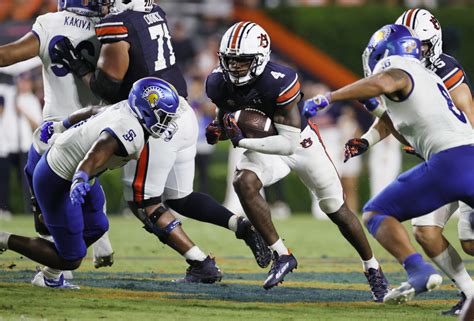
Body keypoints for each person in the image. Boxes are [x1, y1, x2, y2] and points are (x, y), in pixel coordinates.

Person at [53, 0, 272, 280]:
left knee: (142, 201)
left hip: (157, 121)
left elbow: (107, 88)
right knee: (180, 197)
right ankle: (242, 227)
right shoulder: (154, 13)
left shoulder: (118, 23)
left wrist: (81, 69)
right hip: (182, 111)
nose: (104, 3)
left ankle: (201, 264)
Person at [205, 21, 389, 300]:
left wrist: (240, 139)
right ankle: (282, 254)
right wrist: (217, 127)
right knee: (243, 181)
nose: (235, 68)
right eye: (230, 61)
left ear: (260, 58)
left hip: (300, 144)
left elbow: (288, 142)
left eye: (242, 62)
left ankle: (372, 267)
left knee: (336, 209)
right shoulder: (218, 81)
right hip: (265, 147)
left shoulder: (280, 79)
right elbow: (225, 114)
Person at [304, 24, 474, 304]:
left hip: (450, 162)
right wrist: (374, 112)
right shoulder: (428, 77)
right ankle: (468, 293)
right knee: (435, 233)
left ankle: (418, 270)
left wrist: (328, 97)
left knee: (376, 213)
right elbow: (401, 126)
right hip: (465, 157)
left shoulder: (399, 69)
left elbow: (385, 81)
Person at [0, 77, 184, 288]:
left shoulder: (127, 108)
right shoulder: (130, 131)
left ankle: (49, 276)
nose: (167, 123)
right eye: (164, 117)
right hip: (58, 178)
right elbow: (97, 151)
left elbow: (92, 110)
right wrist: (81, 177)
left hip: (74, 169)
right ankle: (4, 239)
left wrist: (61, 125)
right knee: (72, 257)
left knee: (97, 226)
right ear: (146, 111)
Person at [0, 0, 115, 286]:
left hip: (52, 137)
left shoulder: (50, 23)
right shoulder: (112, 26)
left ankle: (50, 274)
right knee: (70, 245)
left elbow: (6, 55)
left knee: (93, 223)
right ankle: (49, 268)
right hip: (77, 140)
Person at [395, 9, 474, 314]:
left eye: (421, 46)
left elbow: (467, 113)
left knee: (469, 240)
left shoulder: (445, 68)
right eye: (410, 45)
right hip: (439, 161)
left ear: (435, 44)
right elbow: (392, 119)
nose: (415, 52)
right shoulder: (399, 73)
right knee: (426, 230)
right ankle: (469, 294)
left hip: (464, 156)